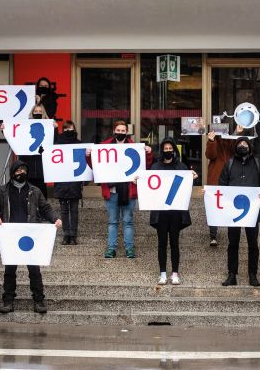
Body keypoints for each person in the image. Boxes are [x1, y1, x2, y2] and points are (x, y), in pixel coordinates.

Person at [0, 160, 62, 314]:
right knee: (9, 270)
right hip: (10, 236)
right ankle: (8, 301)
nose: (21, 173)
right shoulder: (2, 191)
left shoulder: (35, 191)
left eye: (24, 170)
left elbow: (45, 208)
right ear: (13, 173)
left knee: (34, 269)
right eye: (18, 170)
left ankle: (39, 300)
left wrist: (55, 218)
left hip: (30, 235)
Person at [87, 120, 153, 259]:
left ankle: (129, 249)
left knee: (128, 221)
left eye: (123, 131)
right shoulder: (104, 147)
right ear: (114, 131)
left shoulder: (135, 148)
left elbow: (145, 165)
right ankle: (111, 249)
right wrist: (88, 156)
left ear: (127, 132)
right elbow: (96, 166)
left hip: (128, 191)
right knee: (112, 221)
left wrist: (148, 153)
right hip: (112, 191)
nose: (121, 133)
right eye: (119, 130)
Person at [219, 137, 260, 287]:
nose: (242, 146)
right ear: (235, 147)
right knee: (233, 243)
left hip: (252, 211)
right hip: (233, 212)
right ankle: (232, 274)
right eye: (239, 144)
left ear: (250, 146)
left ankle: (252, 274)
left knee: (253, 243)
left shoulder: (257, 164)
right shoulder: (229, 164)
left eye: (245, 144)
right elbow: (222, 184)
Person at [149, 138, 197, 285]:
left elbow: (186, 186)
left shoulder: (181, 166)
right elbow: (149, 184)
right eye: (165, 148)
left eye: (170, 148)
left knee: (175, 243)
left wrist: (193, 178)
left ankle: (175, 273)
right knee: (162, 243)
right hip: (161, 211)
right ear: (161, 150)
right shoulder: (155, 167)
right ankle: (162, 273)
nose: (168, 151)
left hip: (176, 211)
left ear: (174, 150)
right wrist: (140, 181)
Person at [205, 125, 243, 246]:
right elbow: (210, 155)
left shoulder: (231, 142)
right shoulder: (215, 141)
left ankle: (231, 234)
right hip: (215, 181)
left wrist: (236, 132)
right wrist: (211, 141)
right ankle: (213, 235)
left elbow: (235, 148)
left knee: (230, 207)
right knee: (213, 208)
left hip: (230, 180)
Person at [54, 120, 83, 245]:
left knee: (74, 210)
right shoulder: (57, 143)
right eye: (65, 128)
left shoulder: (79, 144)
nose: (68, 130)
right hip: (62, 181)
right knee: (64, 211)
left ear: (74, 129)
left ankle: (74, 235)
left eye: (70, 128)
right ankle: (66, 235)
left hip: (74, 182)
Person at [18, 104, 51, 198]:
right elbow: (15, 137)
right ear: (32, 113)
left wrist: (55, 129)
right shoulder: (25, 126)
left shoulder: (49, 128)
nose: (38, 113)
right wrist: (4, 130)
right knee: (27, 198)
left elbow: (55, 142)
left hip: (42, 170)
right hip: (28, 168)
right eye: (36, 111)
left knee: (42, 198)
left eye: (40, 111)